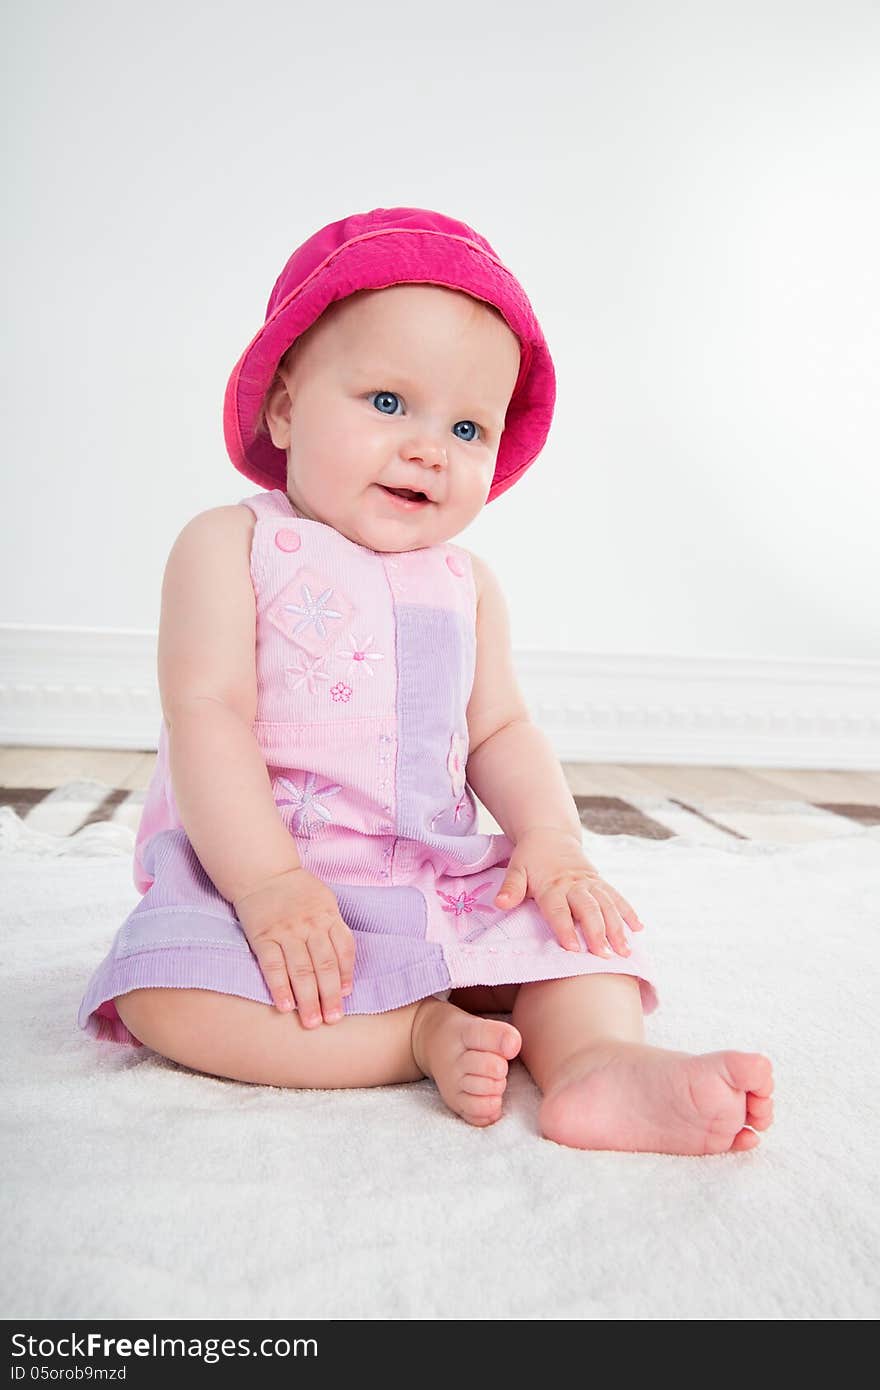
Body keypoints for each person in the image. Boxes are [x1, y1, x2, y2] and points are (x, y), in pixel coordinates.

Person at [78, 206, 774, 1154]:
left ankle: (593, 1067)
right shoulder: (232, 545)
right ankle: (412, 1033)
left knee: (581, 942)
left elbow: (500, 732)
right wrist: (270, 885)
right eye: (388, 403)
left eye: (466, 425)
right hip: (268, 877)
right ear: (285, 407)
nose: (428, 448)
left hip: (427, 874)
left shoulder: (465, 582)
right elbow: (207, 714)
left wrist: (553, 842)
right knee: (165, 997)